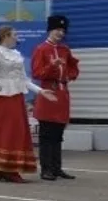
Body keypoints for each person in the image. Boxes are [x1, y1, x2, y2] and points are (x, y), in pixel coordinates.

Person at [0, 24, 56, 183]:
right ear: (5, 36)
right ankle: (7, 169)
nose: (17, 38)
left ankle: (4, 168)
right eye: (14, 35)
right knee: (7, 130)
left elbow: (23, 79)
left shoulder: (15, 54)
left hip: (16, 96)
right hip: (3, 96)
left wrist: (41, 91)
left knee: (16, 130)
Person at [32, 14, 79, 181]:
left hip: (62, 93)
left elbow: (73, 66)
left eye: (63, 30)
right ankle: (46, 169)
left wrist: (70, 75)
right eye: (57, 30)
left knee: (58, 134)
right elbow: (37, 73)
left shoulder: (65, 50)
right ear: (50, 30)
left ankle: (57, 168)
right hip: (48, 92)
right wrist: (52, 65)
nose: (60, 33)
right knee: (46, 134)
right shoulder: (41, 49)